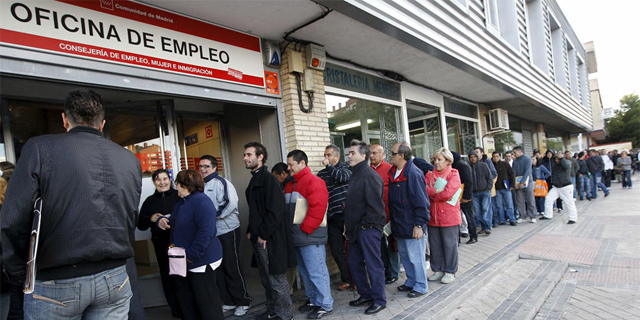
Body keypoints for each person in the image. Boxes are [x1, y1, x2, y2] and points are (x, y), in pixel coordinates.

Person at [1, 89, 141, 319]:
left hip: (56, 280)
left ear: (65, 119)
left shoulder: (39, 149)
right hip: (115, 277)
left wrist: (19, 273)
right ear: (102, 123)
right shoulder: (129, 159)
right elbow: (129, 216)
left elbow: (12, 219)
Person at [157, 169, 224, 319]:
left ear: (187, 186)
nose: (176, 188)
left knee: (207, 305)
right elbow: (173, 220)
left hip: (201, 261)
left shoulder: (202, 202)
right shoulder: (181, 202)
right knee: (188, 303)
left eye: (178, 185)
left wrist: (191, 255)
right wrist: (159, 221)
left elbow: (206, 232)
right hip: (183, 262)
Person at [244, 142, 294, 320]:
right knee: (266, 279)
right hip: (260, 238)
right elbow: (257, 211)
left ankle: (285, 316)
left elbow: (276, 211)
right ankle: (272, 311)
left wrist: (263, 235)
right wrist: (252, 231)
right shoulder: (256, 178)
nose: (245, 158)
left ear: (260, 157)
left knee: (276, 279)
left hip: (270, 239)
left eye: (249, 155)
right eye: (245, 155)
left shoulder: (268, 179)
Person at [198, 155, 252, 316]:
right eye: (200, 166)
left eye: (206, 166)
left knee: (232, 266)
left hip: (227, 230)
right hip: (211, 233)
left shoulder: (222, 182)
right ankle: (228, 300)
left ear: (215, 167)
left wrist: (211, 216)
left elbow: (230, 203)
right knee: (218, 267)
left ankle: (243, 300)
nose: (203, 169)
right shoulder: (201, 185)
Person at [284, 150, 333, 319]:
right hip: (298, 237)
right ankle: (314, 300)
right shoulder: (290, 184)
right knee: (306, 273)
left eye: (291, 164)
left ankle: (325, 304)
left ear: (302, 163)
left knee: (317, 271)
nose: (288, 168)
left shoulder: (314, 181)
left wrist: (306, 229)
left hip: (309, 237)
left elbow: (318, 208)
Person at [344, 139, 387, 315]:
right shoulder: (354, 175)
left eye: (353, 153)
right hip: (354, 230)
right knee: (354, 263)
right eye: (349, 153)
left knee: (373, 265)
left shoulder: (370, 176)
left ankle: (379, 300)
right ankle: (366, 295)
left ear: (364, 155)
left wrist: (364, 226)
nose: (349, 156)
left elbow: (376, 207)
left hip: (367, 229)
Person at [137, 169, 182, 318]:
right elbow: (140, 224)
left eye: (165, 179)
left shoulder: (179, 196)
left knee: (181, 276)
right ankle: (175, 310)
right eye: (158, 179)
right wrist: (151, 218)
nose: (162, 182)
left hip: (179, 244)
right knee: (167, 277)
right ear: (154, 182)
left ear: (170, 180)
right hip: (161, 245)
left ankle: (187, 308)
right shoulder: (150, 201)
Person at [388, 142, 430, 297]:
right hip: (400, 224)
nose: (390, 156)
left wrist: (419, 224)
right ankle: (411, 281)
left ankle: (420, 285)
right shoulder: (394, 173)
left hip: (412, 225)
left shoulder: (413, 173)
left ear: (402, 155)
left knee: (416, 257)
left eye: (393, 153)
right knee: (405, 257)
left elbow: (421, 202)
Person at [317, 144, 352, 291]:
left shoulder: (346, 168)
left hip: (346, 216)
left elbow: (342, 177)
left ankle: (357, 277)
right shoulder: (322, 174)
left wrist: (329, 168)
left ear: (337, 157)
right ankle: (346, 279)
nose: (326, 158)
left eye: (329, 155)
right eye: (325, 155)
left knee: (351, 249)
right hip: (331, 217)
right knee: (336, 250)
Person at [426, 148, 462, 284]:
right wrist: (435, 191)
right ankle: (438, 269)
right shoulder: (429, 174)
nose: (436, 162)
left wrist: (433, 195)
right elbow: (424, 189)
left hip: (449, 217)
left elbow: (448, 193)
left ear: (448, 161)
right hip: (433, 216)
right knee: (435, 244)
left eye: (439, 160)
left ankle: (450, 271)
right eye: (434, 159)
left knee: (449, 244)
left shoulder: (454, 174)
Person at [370, 144, 399, 285]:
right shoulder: (367, 170)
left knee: (393, 244)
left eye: (375, 153)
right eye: (370, 153)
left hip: (389, 213)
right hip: (374, 215)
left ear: (383, 154)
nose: (372, 156)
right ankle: (385, 271)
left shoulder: (390, 169)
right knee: (379, 245)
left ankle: (394, 272)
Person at [540, 155, 578, 224]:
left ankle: (573, 218)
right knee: (548, 198)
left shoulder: (567, 162)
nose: (557, 160)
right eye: (556, 159)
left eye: (558, 159)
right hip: (556, 186)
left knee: (569, 202)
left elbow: (566, 166)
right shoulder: (555, 166)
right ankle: (548, 215)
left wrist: (562, 159)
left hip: (565, 186)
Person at [452, 152, 478, 243]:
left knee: (469, 217)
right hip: (457, 196)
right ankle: (458, 239)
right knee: (457, 217)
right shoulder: (456, 165)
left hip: (464, 196)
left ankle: (473, 236)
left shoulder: (462, 166)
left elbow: (469, 182)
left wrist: (466, 197)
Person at [468, 151, 494, 233]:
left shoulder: (483, 165)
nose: (473, 159)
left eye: (474, 157)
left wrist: (488, 188)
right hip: (474, 192)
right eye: (471, 157)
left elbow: (490, 177)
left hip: (484, 191)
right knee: (477, 211)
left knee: (485, 209)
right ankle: (481, 226)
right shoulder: (468, 167)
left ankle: (487, 227)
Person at [512, 146, 537, 223]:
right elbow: (513, 173)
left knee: (530, 199)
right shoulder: (515, 161)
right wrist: (515, 183)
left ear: (520, 151)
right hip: (518, 183)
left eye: (515, 152)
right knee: (519, 200)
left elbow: (528, 172)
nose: (514, 154)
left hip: (528, 182)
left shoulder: (527, 159)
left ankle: (532, 216)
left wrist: (522, 182)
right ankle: (522, 216)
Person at [492, 151, 517, 225]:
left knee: (509, 204)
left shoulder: (505, 164)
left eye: (497, 156)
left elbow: (511, 174)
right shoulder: (491, 165)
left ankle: (512, 219)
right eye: (494, 157)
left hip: (506, 187)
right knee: (499, 206)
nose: (495, 158)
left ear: (500, 157)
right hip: (497, 188)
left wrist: (512, 185)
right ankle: (502, 220)